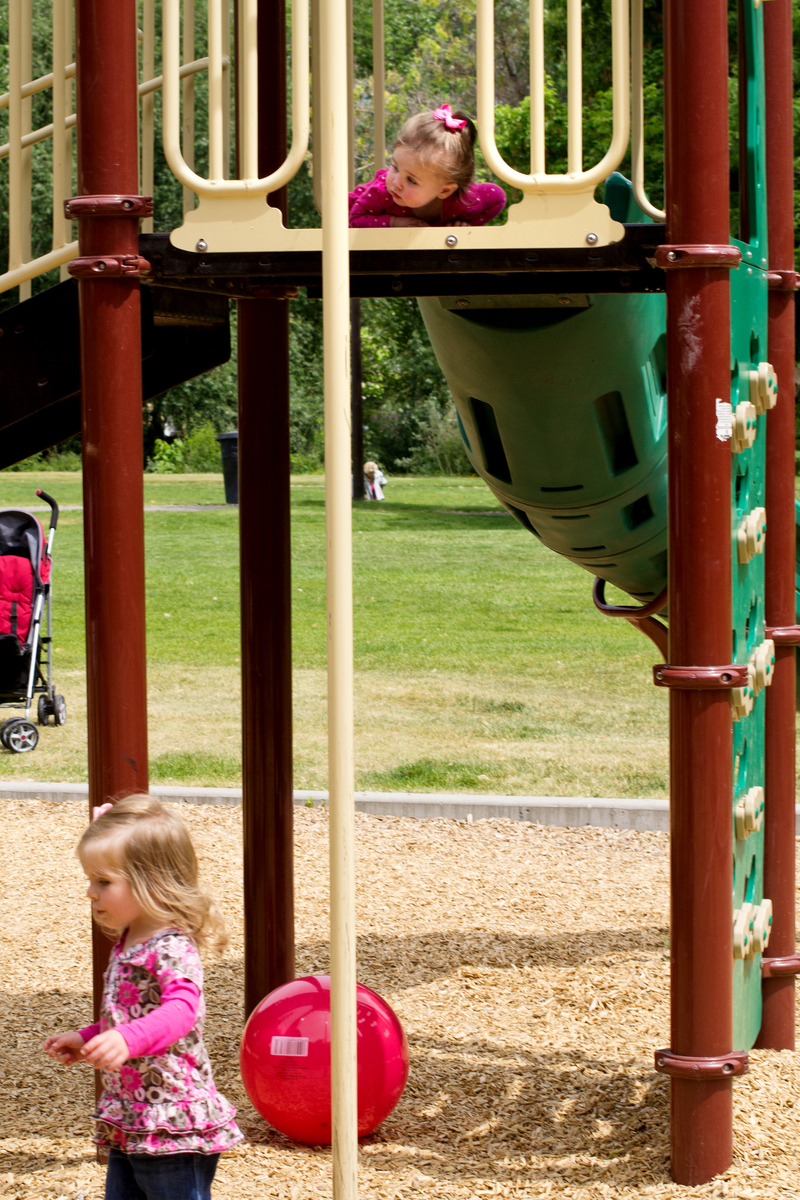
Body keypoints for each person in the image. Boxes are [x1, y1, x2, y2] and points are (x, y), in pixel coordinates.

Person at [43, 796, 243, 1200]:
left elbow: (181, 1011)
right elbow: (131, 1014)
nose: (90, 892)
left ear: (151, 881)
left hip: (171, 1120)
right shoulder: (129, 941)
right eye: (90, 880)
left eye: (103, 882)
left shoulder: (171, 947)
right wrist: (90, 1037)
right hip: (132, 1115)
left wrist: (125, 1039)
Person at [349, 104, 506, 228]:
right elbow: (354, 220)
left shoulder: (464, 201)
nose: (396, 182)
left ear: (445, 190)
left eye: (411, 180)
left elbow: (498, 197)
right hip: (353, 211)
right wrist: (395, 222)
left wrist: (469, 225)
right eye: (395, 167)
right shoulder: (383, 191)